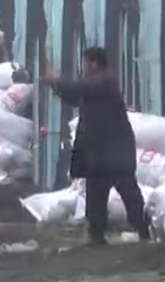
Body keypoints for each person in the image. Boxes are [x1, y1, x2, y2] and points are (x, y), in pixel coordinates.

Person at [41, 46, 150, 246]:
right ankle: (96, 235)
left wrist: (57, 79)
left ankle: (144, 231)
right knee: (96, 194)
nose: (84, 68)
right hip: (100, 152)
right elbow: (73, 97)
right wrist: (54, 84)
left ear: (93, 63)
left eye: (86, 63)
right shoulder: (96, 84)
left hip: (115, 151)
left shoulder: (102, 80)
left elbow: (75, 89)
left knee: (128, 192)